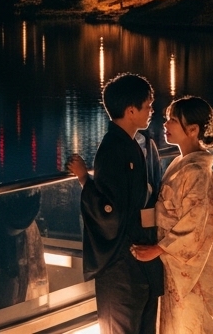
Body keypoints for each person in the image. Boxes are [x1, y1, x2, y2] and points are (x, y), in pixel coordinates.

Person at [67, 73, 164, 334]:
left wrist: (85, 181)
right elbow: (110, 209)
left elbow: (107, 209)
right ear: (131, 111)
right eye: (148, 106)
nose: (151, 111)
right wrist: (85, 179)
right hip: (128, 261)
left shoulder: (127, 145)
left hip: (130, 260)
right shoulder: (115, 148)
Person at [131, 96, 213, 334]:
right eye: (167, 119)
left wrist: (158, 249)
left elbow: (196, 225)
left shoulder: (197, 172)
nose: (166, 124)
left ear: (193, 130)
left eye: (173, 120)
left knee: (193, 323)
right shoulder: (182, 164)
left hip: (195, 269)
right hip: (177, 264)